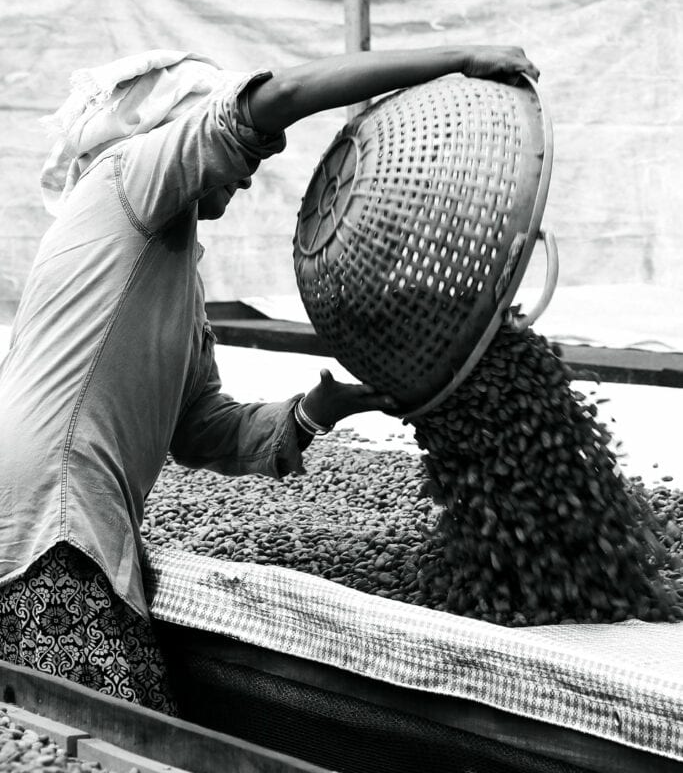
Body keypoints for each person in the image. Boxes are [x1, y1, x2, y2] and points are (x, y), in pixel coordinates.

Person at [0, 43, 539, 714]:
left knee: (63, 731)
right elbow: (277, 99)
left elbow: (200, 429)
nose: (248, 175)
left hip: (61, 509)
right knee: (112, 735)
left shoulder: (164, 272)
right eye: (228, 148)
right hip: (50, 512)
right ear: (176, 138)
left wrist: (316, 411)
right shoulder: (126, 176)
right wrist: (460, 57)